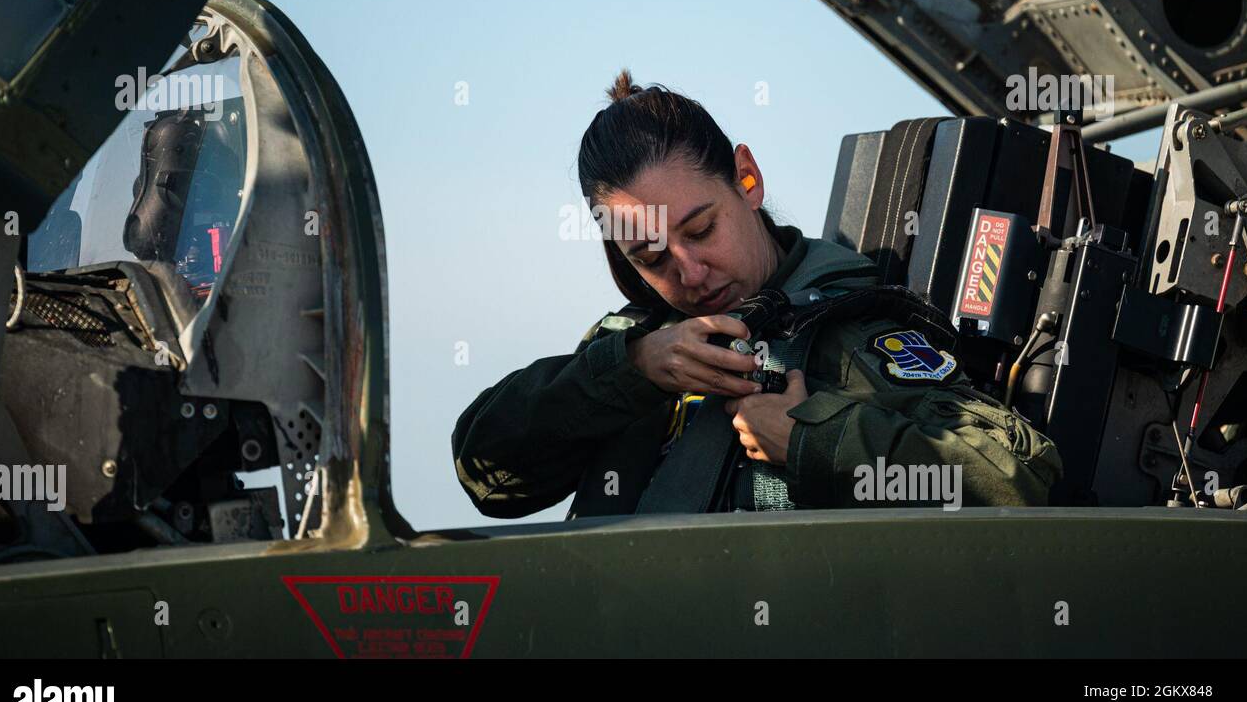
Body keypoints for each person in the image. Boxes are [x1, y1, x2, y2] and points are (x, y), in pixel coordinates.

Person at [452, 71, 1061, 518]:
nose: (690, 273)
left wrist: (810, 440)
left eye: (701, 229)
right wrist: (630, 372)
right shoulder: (636, 347)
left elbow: (1016, 482)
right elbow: (488, 475)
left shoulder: (848, 332)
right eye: (651, 257)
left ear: (747, 178)